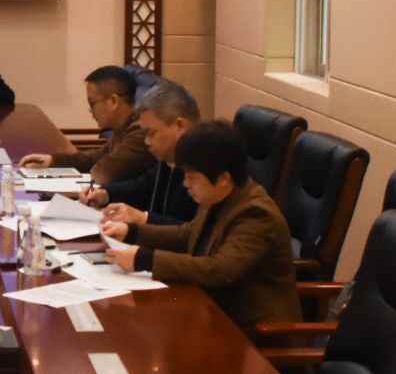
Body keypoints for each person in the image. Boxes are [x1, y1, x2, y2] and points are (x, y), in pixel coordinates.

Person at [101, 121, 299, 332]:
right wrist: (132, 232)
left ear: (223, 178)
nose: (185, 183)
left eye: (192, 176)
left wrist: (146, 259)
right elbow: (187, 234)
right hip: (212, 311)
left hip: (255, 333)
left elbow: (220, 269)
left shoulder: (256, 214)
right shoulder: (217, 196)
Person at [81, 80, 200, 227]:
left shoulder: (205, 166)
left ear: (179, 126)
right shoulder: (169, 160)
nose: (146, 141)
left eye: (151, 133)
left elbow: (193, 231)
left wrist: (143, 218)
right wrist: (106, 193)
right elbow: (142, 187)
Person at [20, 65, 154, 186]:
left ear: (113, 101)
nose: (90, 111)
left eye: (92, 103)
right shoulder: (125, 127)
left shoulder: (140, 131)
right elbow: (96, 157)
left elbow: (103, 173)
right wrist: (52, 161)